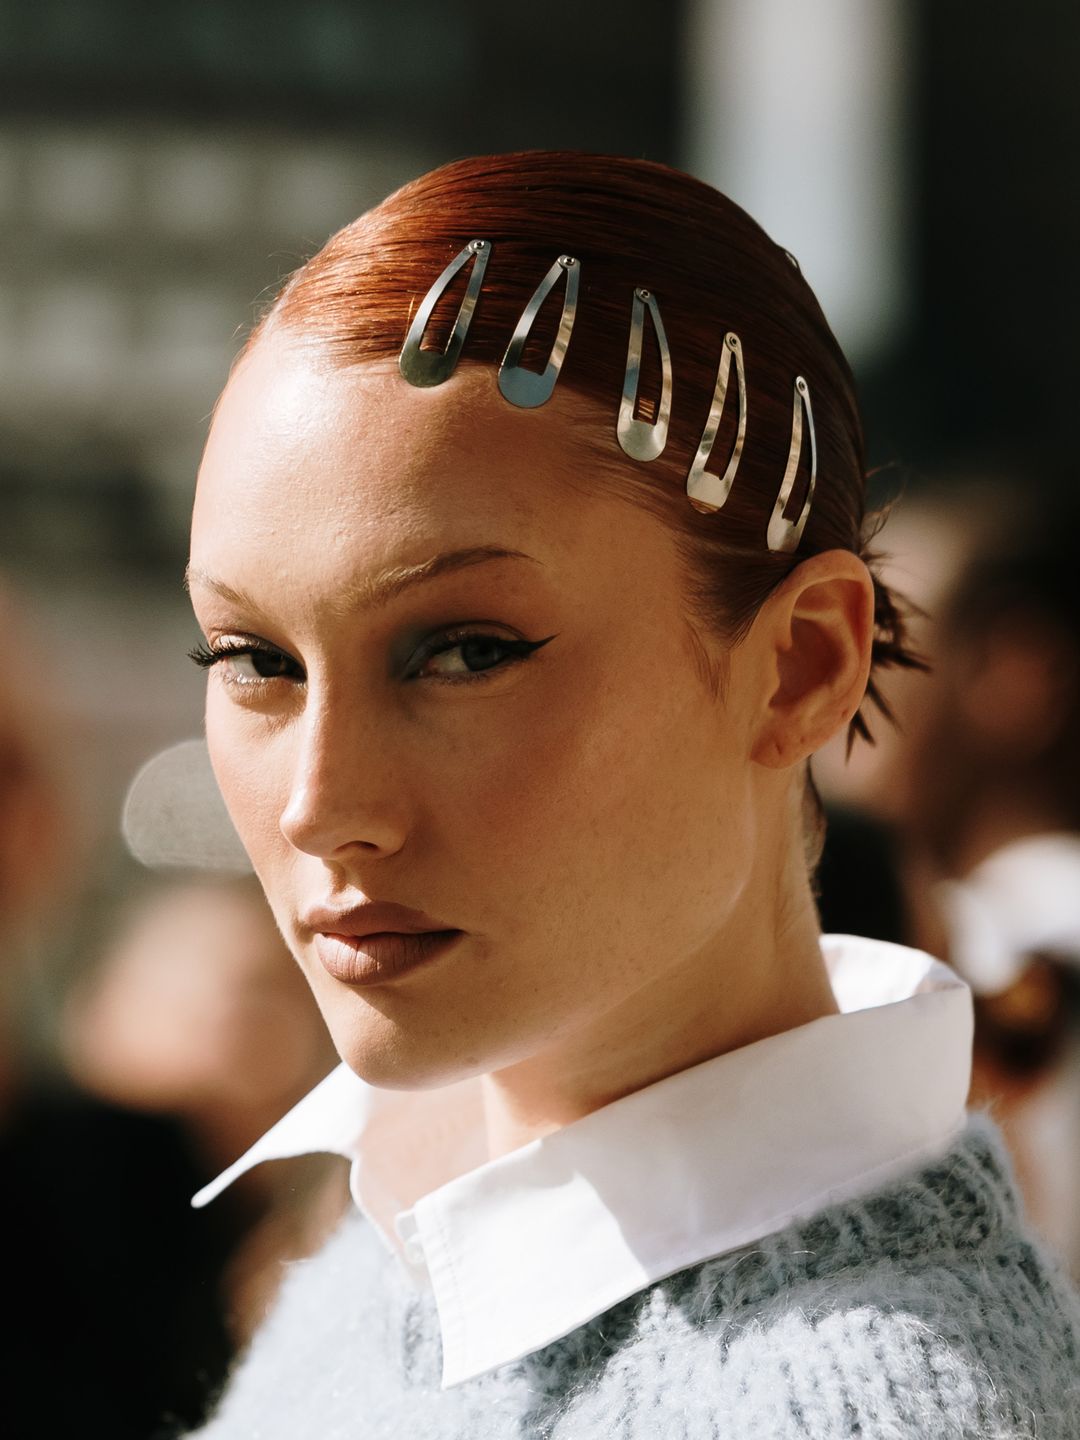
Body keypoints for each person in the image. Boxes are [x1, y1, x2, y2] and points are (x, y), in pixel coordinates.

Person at [164, 153, 1080, 1438]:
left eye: (468, 650)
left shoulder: (861, 1407)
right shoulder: (394, 1242)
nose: (321, 803)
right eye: (254, 661)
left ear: (801, 666)